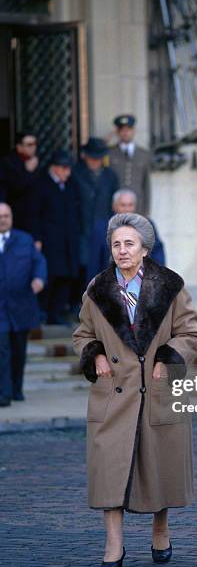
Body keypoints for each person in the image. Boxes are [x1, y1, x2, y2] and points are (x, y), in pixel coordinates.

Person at [72, 213, 197, 567]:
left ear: (145, 249)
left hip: (158, 389)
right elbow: (82, 334)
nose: (122, 250)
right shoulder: (96, 289)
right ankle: (113, 543)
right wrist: (95, 353)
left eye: (129, 243)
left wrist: (168, 359)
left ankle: (160, 528)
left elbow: (190, 333)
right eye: (116, 244)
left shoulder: (170, 286)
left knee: (158, 465)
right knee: (108, 471)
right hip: (113, 394)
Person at [0, 203, 46, 406]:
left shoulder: (25, 240)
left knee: (18, 350)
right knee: (2, 349)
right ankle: (5, 393)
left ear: (11, 217)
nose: (3, 219)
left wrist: (39, 279)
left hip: (21, 306)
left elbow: (39, 262)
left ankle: (16, 389)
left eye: (6, 215)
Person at [30, 149, 80, 325]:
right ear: (55, 168)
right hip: (49, 240)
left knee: (66, 276)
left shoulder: (70, 185)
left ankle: (57, 313)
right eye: (64, 169)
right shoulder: (41, 185)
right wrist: (37, 238)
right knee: (50, 276)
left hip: (68, 240)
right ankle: (43, 312)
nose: (68, 172)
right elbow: (34, 214)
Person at [86, 189, 165, 283]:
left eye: (130, 205)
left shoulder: (146, 225)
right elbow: (94, 261)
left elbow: (157, 253)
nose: (127, 209)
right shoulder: (101, 228)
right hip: (110, 284)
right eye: (123, 205)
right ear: (114, 206)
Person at [72, 137, 119, 289]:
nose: (95, 162)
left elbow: (115, 204)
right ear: (85, 156)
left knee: (104, 265)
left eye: (98, 158)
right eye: (92, 158)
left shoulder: (111, 175)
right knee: (82, 265)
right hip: (81, 228)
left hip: (104, 228)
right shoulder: (75, 173)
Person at [108, 115, 151, 216]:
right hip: (116, 209)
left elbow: (146, 185)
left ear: (134, 131)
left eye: (129, 129)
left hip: (137, 208)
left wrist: (146, 212)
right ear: (117, 132)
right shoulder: (110, 153)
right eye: (122, 130)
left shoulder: (144, 154)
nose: (125, 133)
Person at [0, 131, 40, 232]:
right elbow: (13, 189)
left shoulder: (36, 161)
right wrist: (28, 172)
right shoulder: (8, 163)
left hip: (35, 216)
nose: (33, 147)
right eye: (29, 144)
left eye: (35, 144)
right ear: (19, 147)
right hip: (18, 217)